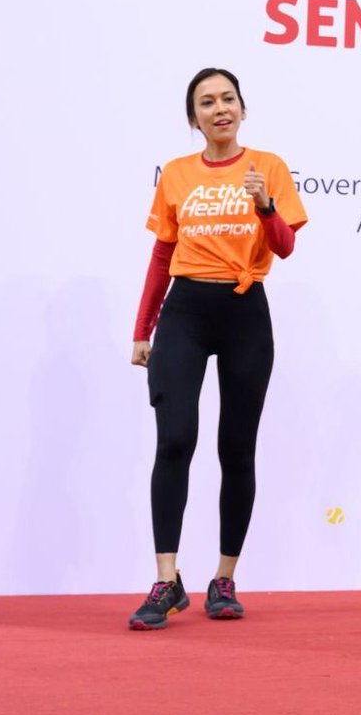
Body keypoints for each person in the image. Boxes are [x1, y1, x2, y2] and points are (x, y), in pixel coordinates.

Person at [128, 68, 305, 629]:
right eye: (207, 102)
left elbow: (286, 248)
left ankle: (224, 578)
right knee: (175, 438)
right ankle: (166, 580)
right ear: (194, 118)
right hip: (185, 312)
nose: (219, 108)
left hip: (245, 313)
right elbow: (161, 256)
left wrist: (266, 208)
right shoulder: (177, 174)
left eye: (228, 98)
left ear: (243, 110)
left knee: (237, 447)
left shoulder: (268, 168)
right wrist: (143, 329)